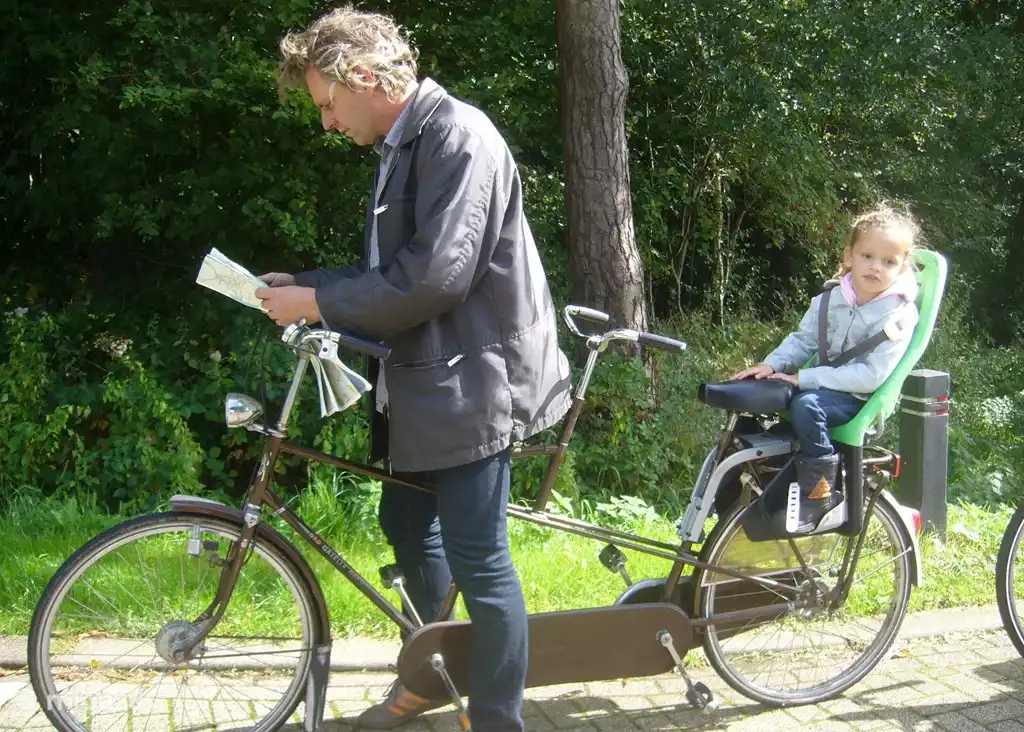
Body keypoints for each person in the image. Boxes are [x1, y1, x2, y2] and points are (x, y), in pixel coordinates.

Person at [255, 6, 574, 731]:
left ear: (365, 79)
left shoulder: (459, 137)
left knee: (480, 559)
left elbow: (435, 279)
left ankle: (498, 720)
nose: (327, 124)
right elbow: (395, 269)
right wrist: (303, 285)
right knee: (405, 521)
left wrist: (319, 303)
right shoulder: (405, 144)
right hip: (431, 377)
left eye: (330, 105)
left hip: (476, 381)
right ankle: (433, 677)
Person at [730, 203, 921, 538]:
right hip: (820, 388)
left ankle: (819, 491)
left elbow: (871, 376)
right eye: (867, 256)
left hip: (856, 398)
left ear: (902, 267)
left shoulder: (898, 315)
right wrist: (772, 364)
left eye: (888, 262)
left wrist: (804, 379)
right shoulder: (830, 299)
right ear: (849, 256)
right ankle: (738, 491)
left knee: (805, 405)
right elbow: (802, 340)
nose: (876, 267)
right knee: (752, 400)